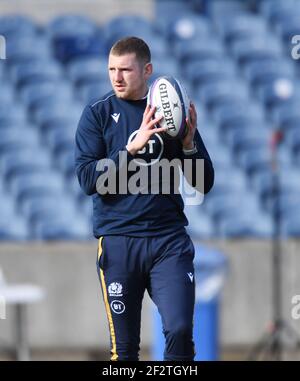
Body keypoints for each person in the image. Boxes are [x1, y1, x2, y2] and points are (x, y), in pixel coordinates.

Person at [75, 36, 214, 361]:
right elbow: (87, 180)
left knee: (179, 331)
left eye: (125, 69)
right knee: (124, 352)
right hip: (119, 242)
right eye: (111, 69)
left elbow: (203, 183)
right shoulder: (97, 114)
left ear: (147, 69)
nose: (117, 77)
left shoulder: (171, 112)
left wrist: (189, 143)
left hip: (168, 241)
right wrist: (130, 151)